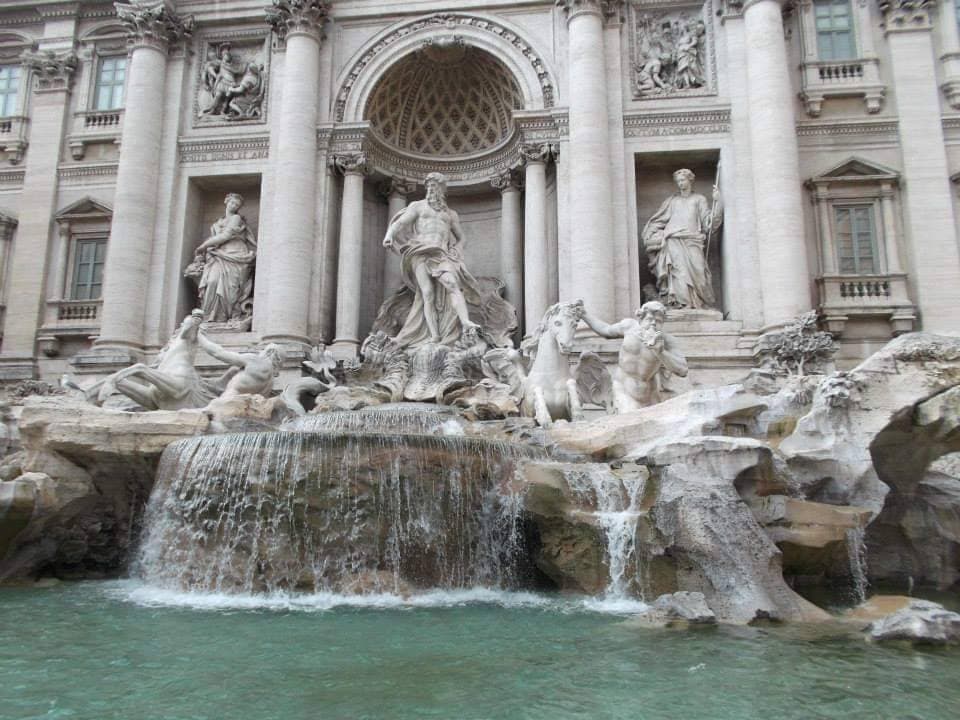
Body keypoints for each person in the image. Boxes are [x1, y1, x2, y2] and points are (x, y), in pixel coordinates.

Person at [382, 172, 482, 348]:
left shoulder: (450, 214)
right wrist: (389, 235)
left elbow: (462, 238)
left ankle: (465, 321)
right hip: (420, 252)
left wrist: (456, 249)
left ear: (442, 189)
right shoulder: (418, 206)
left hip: (441, 254)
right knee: (427, 293)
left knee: (452, 283)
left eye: (434, 186)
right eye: (428, 186)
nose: (430, 189)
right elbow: (400, 224)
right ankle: (435, 336)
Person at [580, 301, 688, 412]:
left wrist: (660, 352)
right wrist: (584, 314)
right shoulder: (629, 327)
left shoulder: (667, 341)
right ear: (641, 319)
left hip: (650, 394)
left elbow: (683, 370)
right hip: (623, 389)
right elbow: (605, 330)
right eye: (649, 320)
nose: (653, 324)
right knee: (630, 416)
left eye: (658, 321)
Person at [641, 168, 722, 310]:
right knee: (678, 274)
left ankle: (699, 304)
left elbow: (708, 223)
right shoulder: (672, 201)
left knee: (699, 274)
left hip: (693, 240)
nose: (680, 183)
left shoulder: (699, 199)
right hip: (672, 240)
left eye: (683, 180)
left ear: (690, 180)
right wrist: (651, 233)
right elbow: (658, 221)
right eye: (678, 181)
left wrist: (718, 203)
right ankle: (680, 304)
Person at [187, 193, 257, 324]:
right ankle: (208, 317)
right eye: (232, 203)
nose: (234, 206)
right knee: (212, 281)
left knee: (230, 289)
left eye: (237, 205)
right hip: (218, 254)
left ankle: (223, 317)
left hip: (235, 253)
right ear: (226, 202)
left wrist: (204, 245)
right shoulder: (217, 222)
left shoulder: (236, 218)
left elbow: (225, 236)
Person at [197, 330, 283, 399]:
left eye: (263, 350)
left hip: (227, 403)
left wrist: (199, 336)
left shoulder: (257, 361)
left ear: (270, 352)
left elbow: (218, 353)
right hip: (245, 412)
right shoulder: (270, 382)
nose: (260, 351)